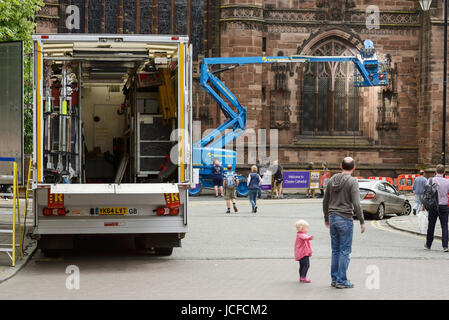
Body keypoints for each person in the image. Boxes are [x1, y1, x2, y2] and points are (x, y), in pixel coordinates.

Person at [323, 157, 365, 289]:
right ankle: (341, 280)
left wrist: (326, 217)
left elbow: (325, 200)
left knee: (335, 250)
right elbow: (357, 203)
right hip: (345, 218)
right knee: (344, 251)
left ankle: (335, 279)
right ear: (354, 168)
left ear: (341, 166)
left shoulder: (332, 179)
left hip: (333, 217)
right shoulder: (352, 181)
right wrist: (362, 221)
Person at [425, 164, 449, 252]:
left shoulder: (430, 181)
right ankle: (445, 246)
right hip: (444, 206)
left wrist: (424, 205)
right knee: (444, 226)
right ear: (444, 172)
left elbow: (426, 194)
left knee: (431, 225)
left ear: (435, 172)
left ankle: (428, 244)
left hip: (433, 206)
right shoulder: (447, 181)